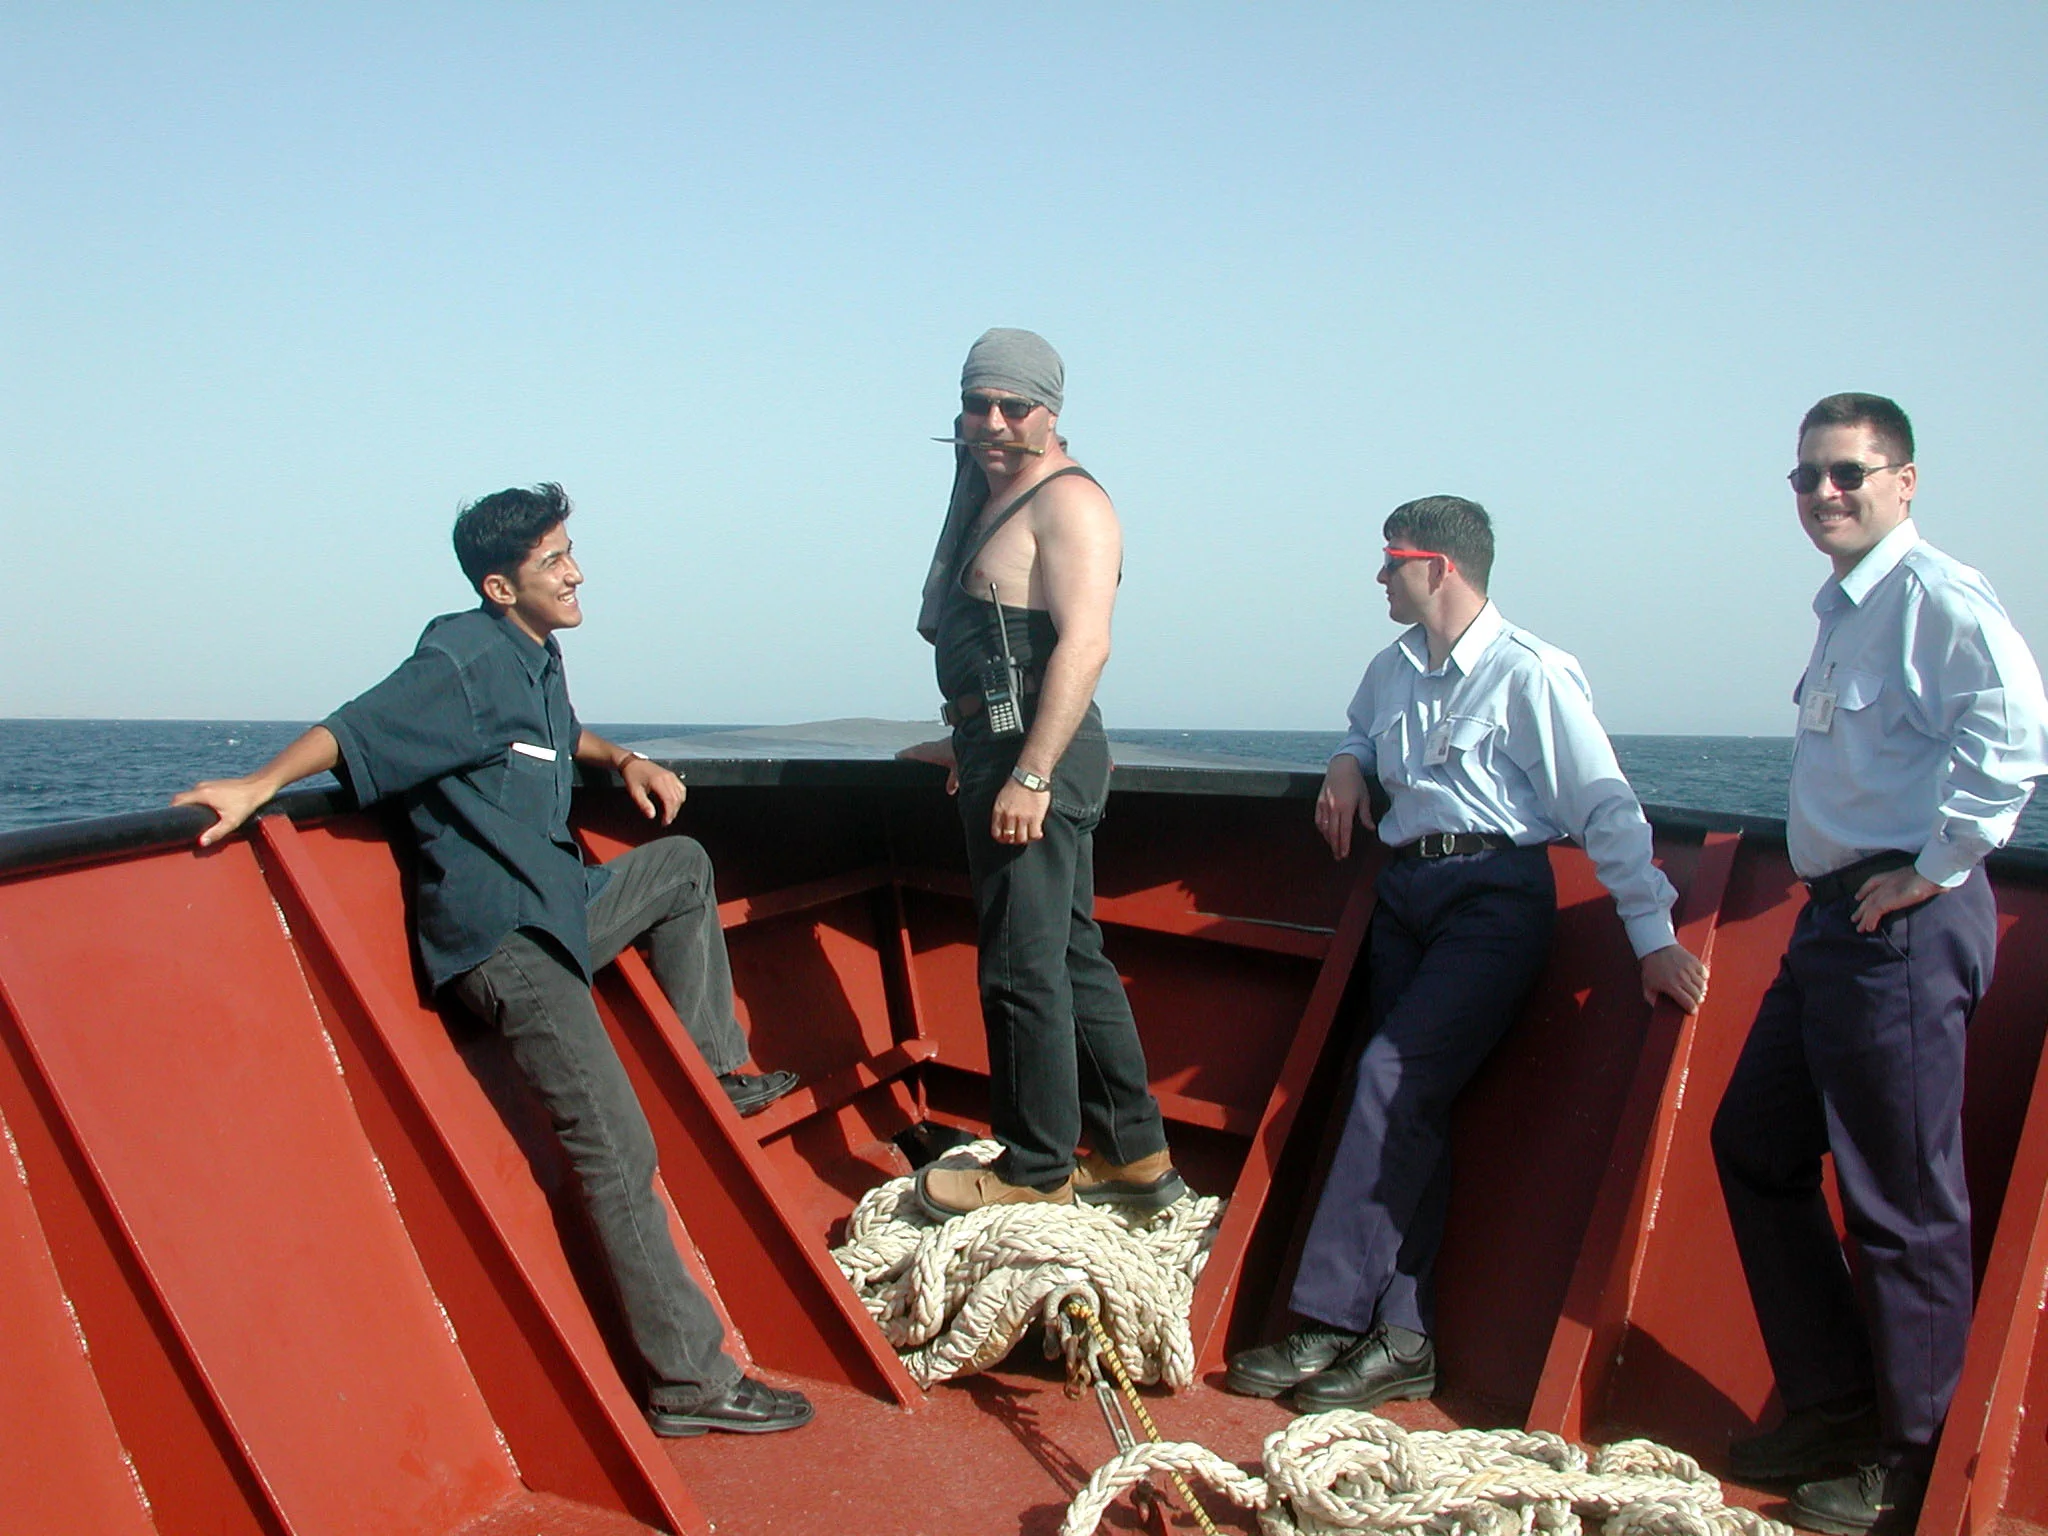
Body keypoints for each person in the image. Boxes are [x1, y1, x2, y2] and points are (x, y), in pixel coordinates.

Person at [173, 483, 814, 1438]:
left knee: (680, 866)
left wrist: (623, 760)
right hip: (506, 940)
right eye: (554, 560)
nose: (576, 571)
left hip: (559, 905)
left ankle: (717, 1074)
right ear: (499, 586)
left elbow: (556, 735)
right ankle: (691, 1383)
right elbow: (353, 729)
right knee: (618, 1149)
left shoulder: (536, 655)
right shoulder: (460, 660)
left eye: (570, 550)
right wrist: (257, 785)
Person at [1223, 495, 1709, 1412]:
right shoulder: (1391, 669)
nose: (1379, 576)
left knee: (1390, 1078)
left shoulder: (1531, 674)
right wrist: (1345, 763)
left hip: (1493, 899)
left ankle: (1332, 1318)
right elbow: (1361, 731)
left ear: (1440, 567)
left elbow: (1604, 806)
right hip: (1406, 894)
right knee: (1412, 1106)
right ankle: (1401, 1339)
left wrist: (1651, 936)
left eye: (1391, 559)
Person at [1711, 395, 2048, 1534]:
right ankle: (1838, 1406)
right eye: (1806, 476)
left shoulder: (1934, 598)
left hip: (1899, 923)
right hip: (1832, 924)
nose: (1823, 493)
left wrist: (1937, 864)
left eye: (1847, 473)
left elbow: (2014, 733)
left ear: (1904, 482)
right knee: (1754, 1144)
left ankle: (1914, 1459)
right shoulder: (1846, 609)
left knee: (1901, 1198)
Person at [904, 327, 1184, 1219]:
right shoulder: (997, 494)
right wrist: (968, 744)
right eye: (976, 404)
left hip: (1037, 756)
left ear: (1050, 412)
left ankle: (1034, 1169)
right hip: (999, 744)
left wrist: (1028, 774)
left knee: (1020, 968)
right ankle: (1134, 1153)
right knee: (1067, 952)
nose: (992, 422)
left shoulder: (1070, 503)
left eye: (1013, 406)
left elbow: (1084, 645)